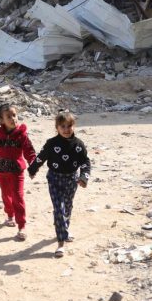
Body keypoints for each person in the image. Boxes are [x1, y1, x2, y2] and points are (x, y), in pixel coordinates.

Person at [28, 110, 90, 257]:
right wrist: (32, 169)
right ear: (57, 128)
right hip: (54, 179)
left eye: (69, 126)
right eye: (63, 126)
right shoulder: (51, 143)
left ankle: (64, 228)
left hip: (71, 180)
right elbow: (41, 157)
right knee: (59, 208)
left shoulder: (78, 145)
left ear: (74, 126)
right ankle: (61, 242)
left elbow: (85, 162)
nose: (66, 129)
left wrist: (84, 177)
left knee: (67, 207)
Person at [0, 104, 36, 241]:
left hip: (17, 171)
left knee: (18, 196)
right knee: (6, 194)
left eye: (14, 115)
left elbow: (30, 152)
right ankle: (10, 215)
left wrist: (33, 165)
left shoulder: (22, 135)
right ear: (1, 120)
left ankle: (21, 226)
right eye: (8, 116)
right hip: (0, 170)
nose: (13, 119)